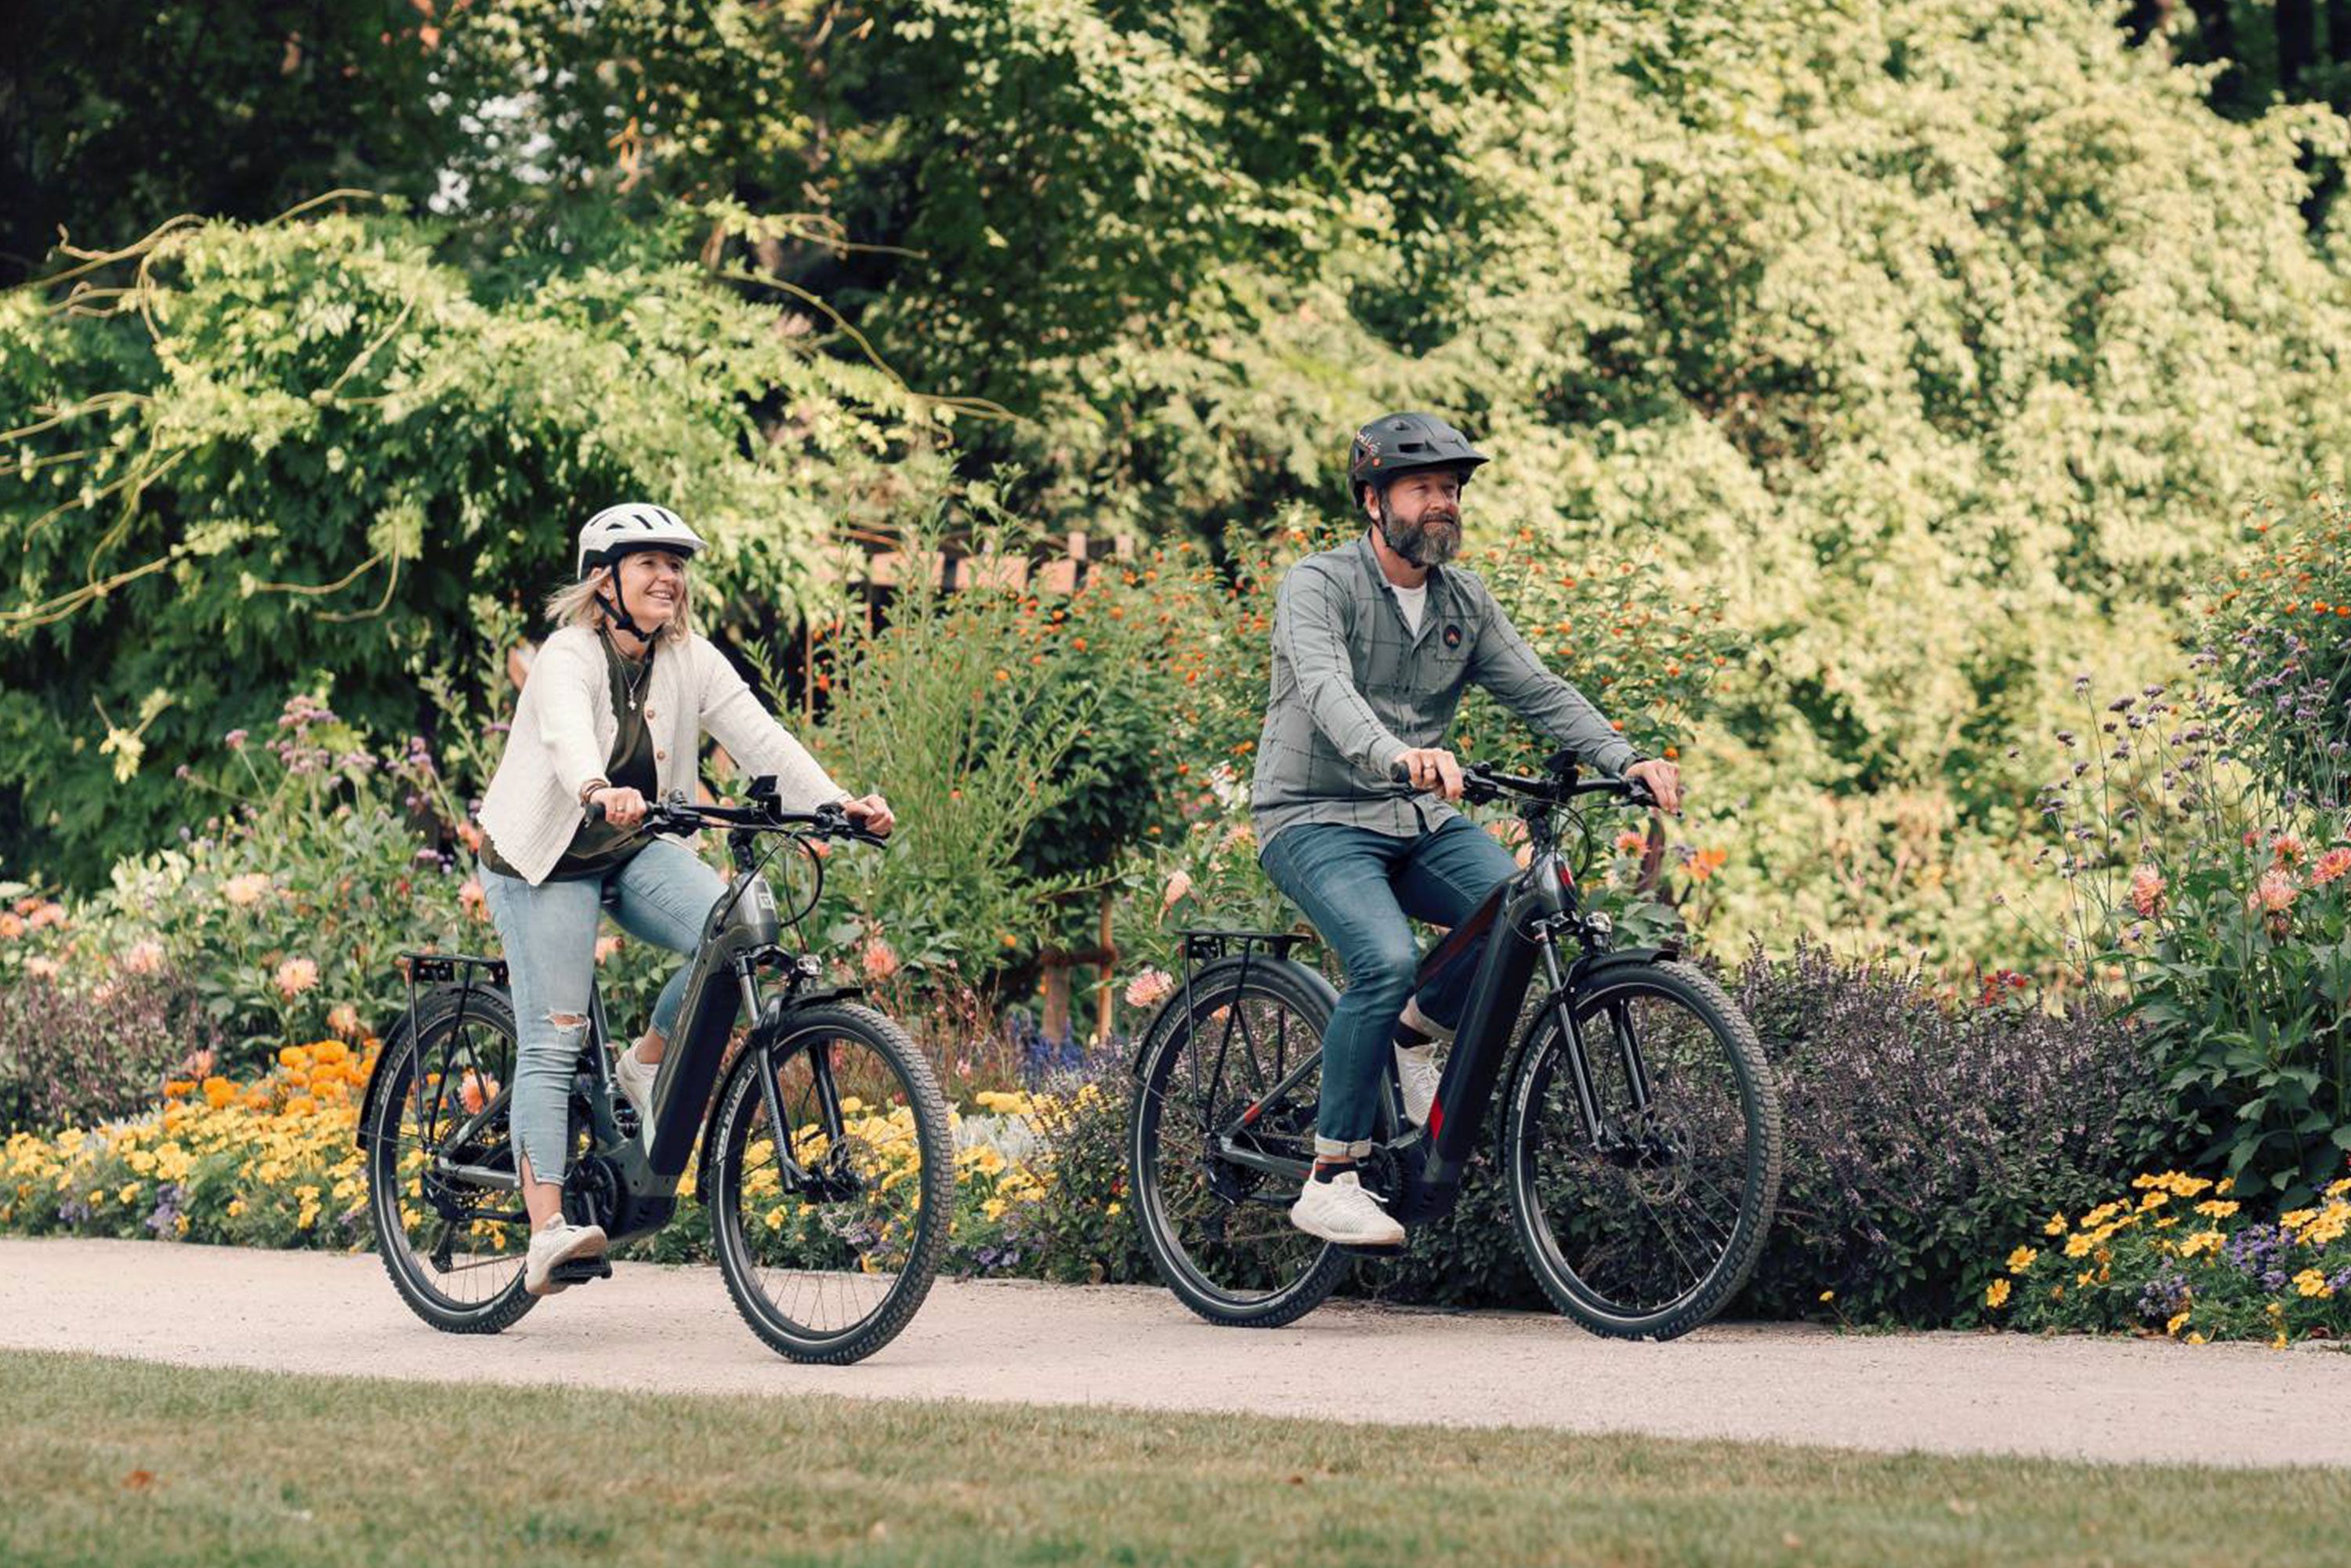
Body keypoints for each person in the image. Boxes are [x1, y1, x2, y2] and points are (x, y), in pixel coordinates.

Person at [1251, 413, 1683, 1248]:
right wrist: (1397, 754)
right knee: (1383, 958)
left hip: (1415, 816)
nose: (1443, 503)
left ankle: (1417, 1032)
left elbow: (1540, 689)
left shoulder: (1463, 601)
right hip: (1312, 812)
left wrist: (1623, 757)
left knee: (1522, 908)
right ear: (1373, 502)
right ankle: (1331, 1175)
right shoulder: (1318, 584)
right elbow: (1327, 691)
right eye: (1423, 489)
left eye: (1451, 490)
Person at [475, 502, 895, 1295]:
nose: (669, 577)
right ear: (605, 579)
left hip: (631, 844)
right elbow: (566, 731)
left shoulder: (687, 657)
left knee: (733, 930)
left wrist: (838, 805)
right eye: (648, 564)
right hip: (544, 857)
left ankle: (645, 1065)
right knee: (555, 1039)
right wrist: (598, 787)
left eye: (676, 564)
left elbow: (760, 737)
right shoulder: (570, 653)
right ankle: (547, 1232)